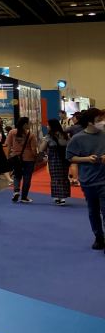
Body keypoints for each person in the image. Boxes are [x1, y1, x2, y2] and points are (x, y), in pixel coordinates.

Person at [66, 107, 105, 251]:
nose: (102, 122)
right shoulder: (78, 138)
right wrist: (87, 159)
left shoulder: (104, 135)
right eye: (99, 119)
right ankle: (99, 237)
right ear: (90, 122)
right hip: (88, 180)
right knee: (93, 211)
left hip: (103, 180)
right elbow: (70, 157)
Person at [6, 116, 38, 203]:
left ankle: (16, 191)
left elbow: (9, 146)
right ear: (24, 125)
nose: (30, 124)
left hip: (16, 158)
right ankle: (24, 197)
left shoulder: (12, 132)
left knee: (17, 175)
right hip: (29, 159)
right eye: (28, 123)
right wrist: (36, 158)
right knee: (27, 177)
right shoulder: (31, 135)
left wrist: (8, 157)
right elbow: (34, 149)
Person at [46, 119, 71, 205]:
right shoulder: (65, 135)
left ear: (51, 126)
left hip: (54, 159)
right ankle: (63, 197)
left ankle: (57, 196)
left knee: (55, 177)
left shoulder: (49, 136)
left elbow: (42, 147)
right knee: (64, 177)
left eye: (48, 125)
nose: (47, 126)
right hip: (64, 159)